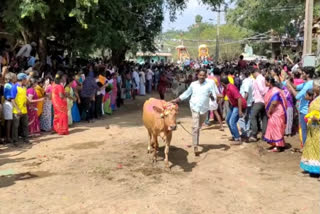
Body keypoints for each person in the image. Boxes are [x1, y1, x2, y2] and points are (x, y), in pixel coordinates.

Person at [171, 70, 218, 156]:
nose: (201, 77)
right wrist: (177, 100)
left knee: (198, 127)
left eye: (203, 75)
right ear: (197, 76)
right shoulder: (193, 84)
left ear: (206, 76)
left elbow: (214, 97)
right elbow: (186, 93)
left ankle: (196, 137)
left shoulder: (209, 84)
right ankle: (195, 146)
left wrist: (211, 96)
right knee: (195, 127)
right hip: (194, 107)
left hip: (204, 109)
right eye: (200, 75)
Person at [286, 67, 314, 146]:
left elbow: (297, 96)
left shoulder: (308, 85)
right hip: (306, 110)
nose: (301, 75)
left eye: (303, 73)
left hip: (305, 111)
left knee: (304, 131)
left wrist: (289, 86)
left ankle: (306, 149)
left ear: (307, 75)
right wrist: (289, 81)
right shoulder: (307, 83)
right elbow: (297, 87)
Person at [300, 79, 320, 175]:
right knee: (311, 146)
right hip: (312, 127)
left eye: (314, 86)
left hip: (318, 127)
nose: (313, 88)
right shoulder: (316, 97)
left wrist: (318, 118)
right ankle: (311, 167)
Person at [264, 76, 287, 152]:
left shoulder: (275, 90)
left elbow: (274, 102)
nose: (264, 83)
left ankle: (278, 146)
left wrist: (269, 111)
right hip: (275, 112)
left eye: (266, 81)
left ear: (269, 82)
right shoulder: (272, 90)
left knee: (276, 128)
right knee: (273, 127)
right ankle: (277, 144)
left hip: (277, 112)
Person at [220, 76, 247, 145]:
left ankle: (238, 138)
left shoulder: (231, 88)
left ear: (222, 83)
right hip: (234, 105)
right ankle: (234, 135)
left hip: (239, 105)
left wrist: (240, 111)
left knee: (232, 121)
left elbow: (239, 99)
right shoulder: (225, 88)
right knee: (227, 120)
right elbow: (222, 96)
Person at [249, 68, 268, 142]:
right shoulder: (263, 78)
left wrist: (264, 94)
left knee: (253, 116)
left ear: (255, 72)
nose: (252, 76)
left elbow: (262, 90)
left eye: (252, 74)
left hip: (259, 100)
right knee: (264, 118)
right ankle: (265, 135)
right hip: (264, 101)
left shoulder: (258, 79)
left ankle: (254, 134)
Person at [11, 73, 30, 146]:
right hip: (17, 111)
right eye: (25, 79)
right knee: (15, 126)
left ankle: (26, 138)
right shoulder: (14, 87)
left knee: (25, 125)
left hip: (24, 110)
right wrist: (18, 109)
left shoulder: (24, 87)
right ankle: (15, 141)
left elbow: (24, 98)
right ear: (23, 79)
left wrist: (26, 103)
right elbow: (12, 99)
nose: (26, 81)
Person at [239, 70, 253, 139]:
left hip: (246, 103)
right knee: (247, 117)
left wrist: (243, 103)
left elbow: (246, 93)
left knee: (241, 118)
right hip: (249, 102)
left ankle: (244, 133)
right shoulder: (251, 81)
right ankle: (247, 132)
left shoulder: (246, 82)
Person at [3, 72, 16, 144]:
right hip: (9, 103)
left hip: (11, 103)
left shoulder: (12, 85)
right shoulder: (7, 85)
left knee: (10, 120)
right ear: (11, 78)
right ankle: (7, 137)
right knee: (8, 120)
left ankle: (9, 136)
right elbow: (8, 96)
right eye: (14, 77)